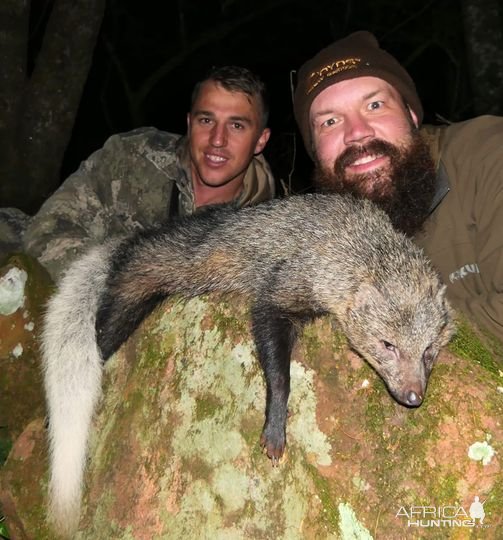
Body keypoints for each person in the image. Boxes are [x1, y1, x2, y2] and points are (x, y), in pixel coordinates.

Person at [293, 30, 503, 342]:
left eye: (375, 105)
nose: (357, 133)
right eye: (330, 122)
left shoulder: (486, 152)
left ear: (412, 114)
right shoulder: (319, 238)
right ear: (315, 153)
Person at [17, 65, 274, 281]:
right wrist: (121, 285)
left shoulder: (265, 231)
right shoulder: (130, 158)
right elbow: (47, 228)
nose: (217, 140)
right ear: (189, 123)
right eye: (206, 120)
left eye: (237, 125)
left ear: (261, 140)